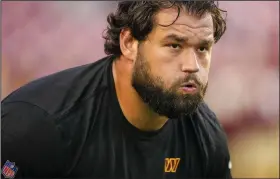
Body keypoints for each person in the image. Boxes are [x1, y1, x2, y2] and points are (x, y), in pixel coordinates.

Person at [1, 1, 231, 178]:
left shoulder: (206, 138)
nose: (192, 65)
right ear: (129, 43)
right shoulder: (36, 126)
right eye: (174, 45)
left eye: (202, 48)